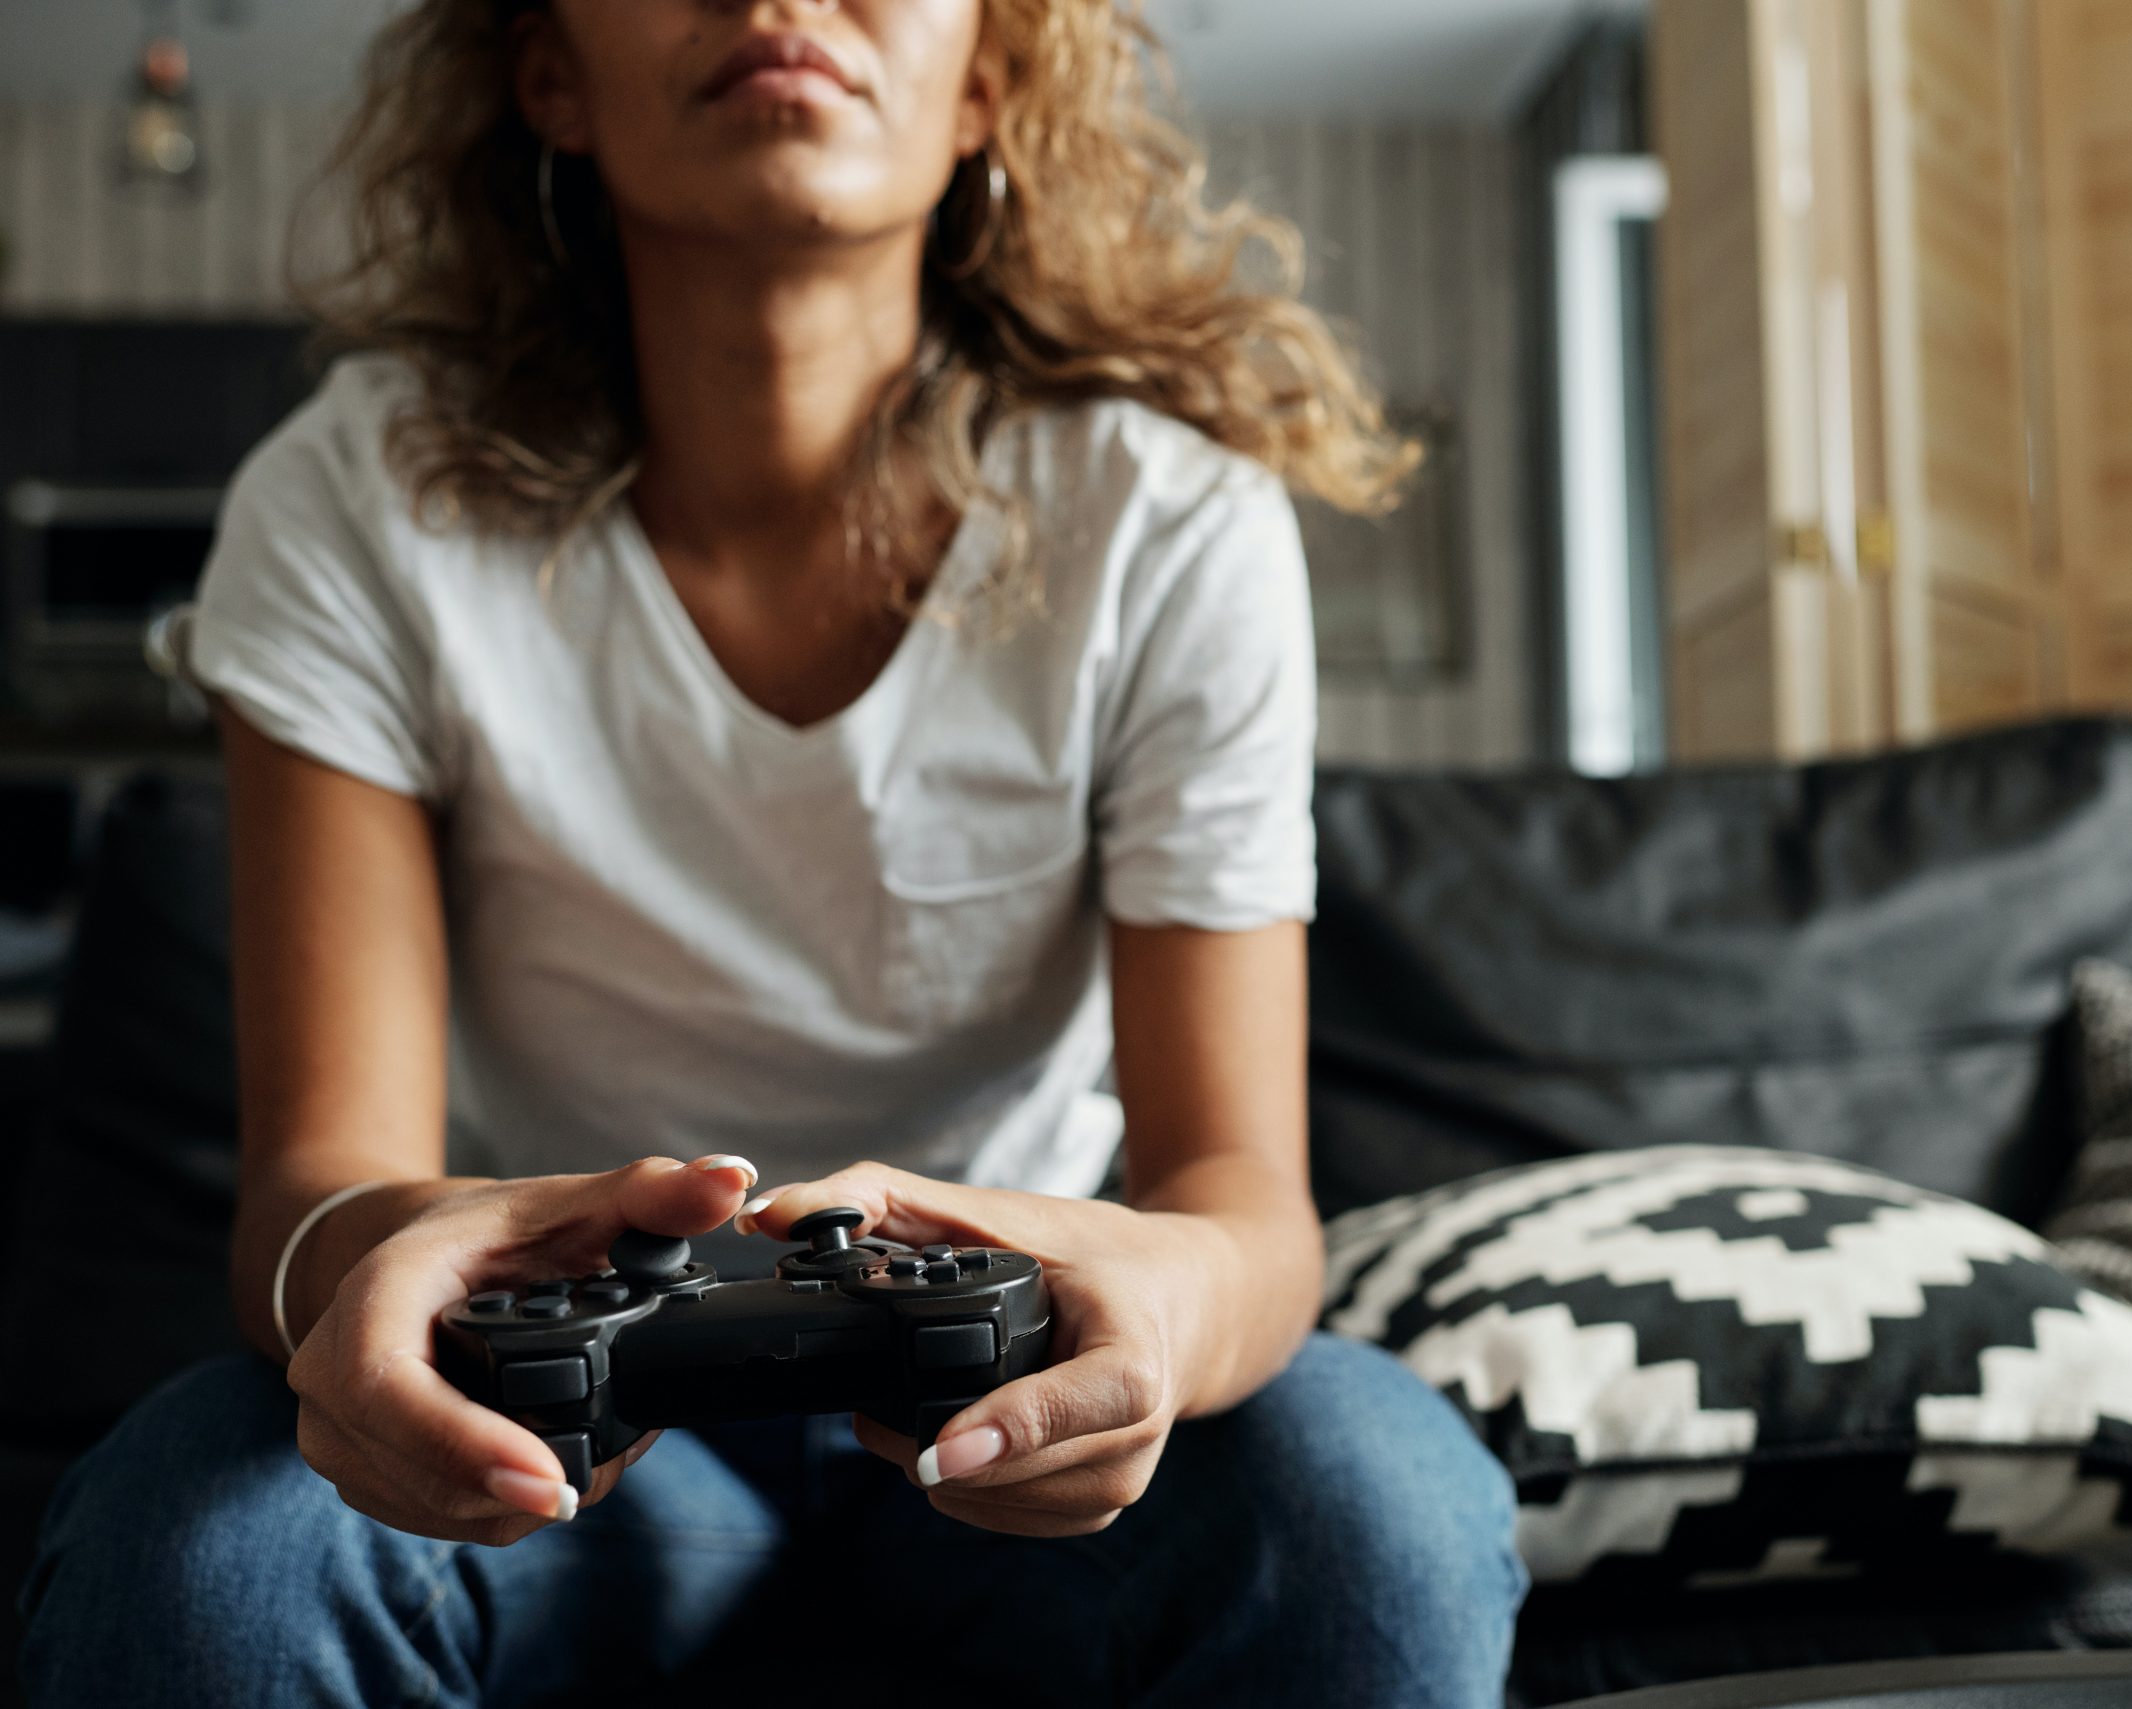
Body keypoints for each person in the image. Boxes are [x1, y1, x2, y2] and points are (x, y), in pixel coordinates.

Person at [17, 2, 1524, 1703]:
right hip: (565, 1440)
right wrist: (368, 1265)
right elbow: (314, 1184)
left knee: (1376, 1504)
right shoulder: (355, 502)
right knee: (205, 1547)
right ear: (550, 78)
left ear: (987, 84)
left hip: (1003, 1417)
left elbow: (1239, 1198)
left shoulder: (1172, 527)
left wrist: (1165, 1305)